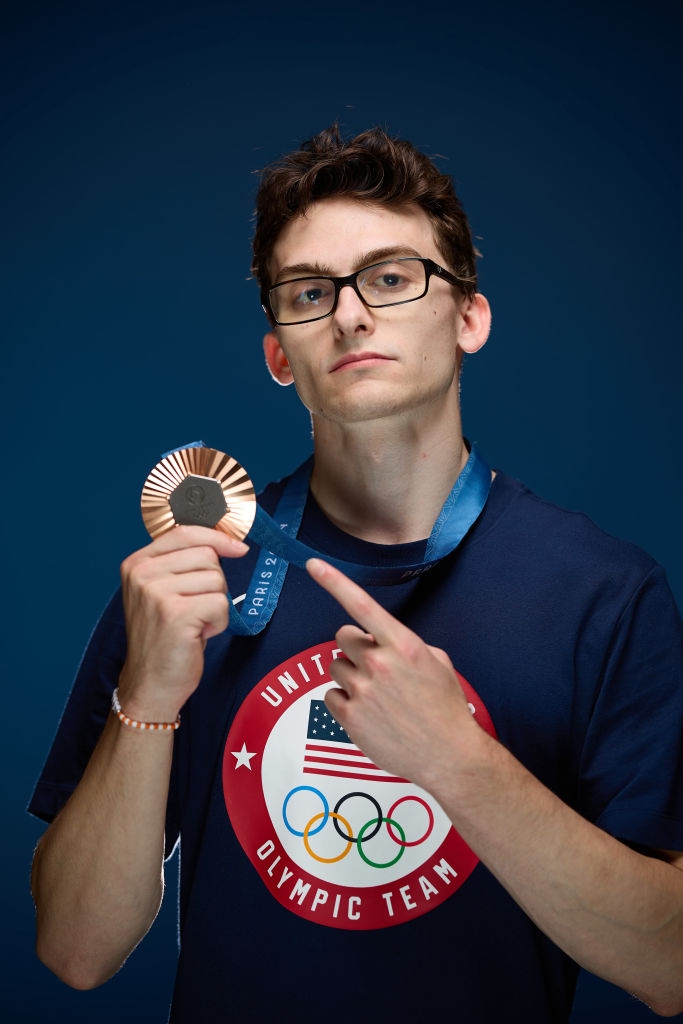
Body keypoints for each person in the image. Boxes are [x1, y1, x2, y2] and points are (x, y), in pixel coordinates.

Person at [29, 124, 683, 1022]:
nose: (348, 315)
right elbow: (73, 952)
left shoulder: (604, 595)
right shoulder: (190, 577)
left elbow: (669, 969)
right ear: (278, 353)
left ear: (468, 318)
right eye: (309, 292)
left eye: (389, 277)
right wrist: (146, 697)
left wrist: (456, 761)